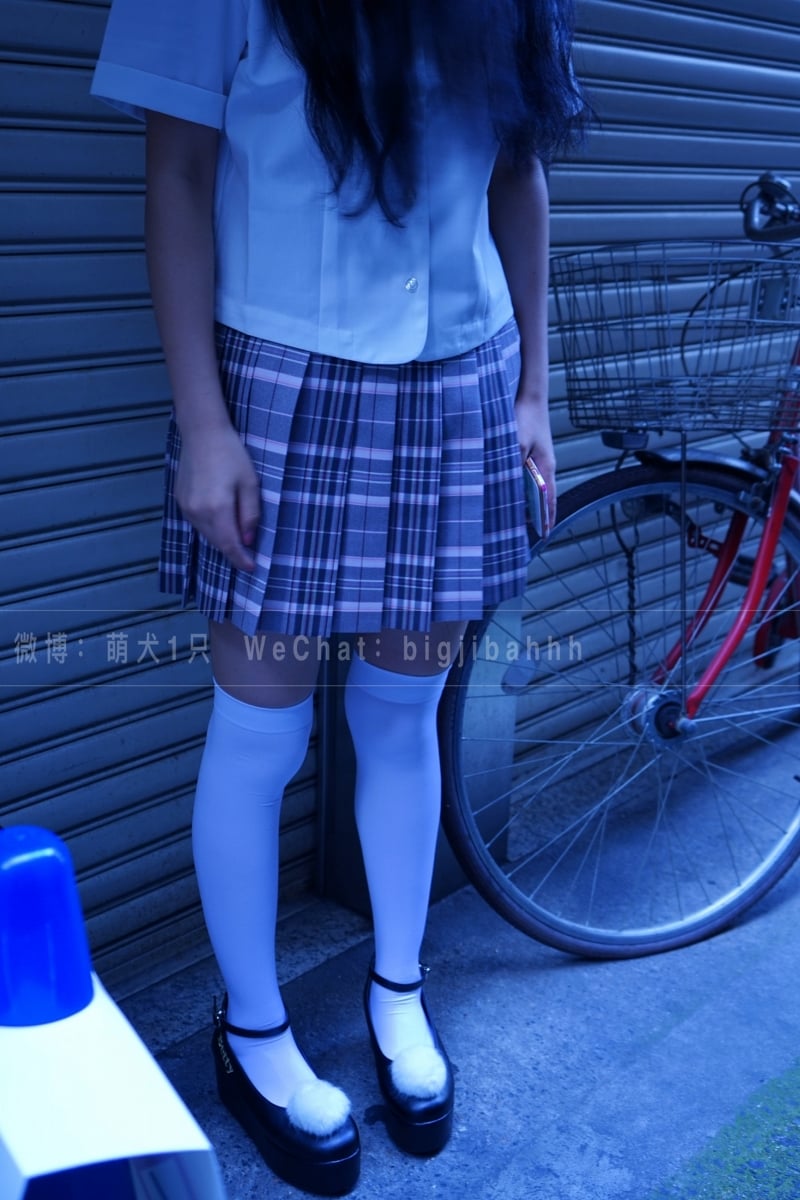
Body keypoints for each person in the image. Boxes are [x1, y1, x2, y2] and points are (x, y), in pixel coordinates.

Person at [91, 2, 585, 1193]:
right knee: (259, 730)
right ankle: (253, 1031)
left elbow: (517, 172)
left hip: (462, 376)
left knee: (403, 718)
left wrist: (531, 392)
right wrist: (204, 423)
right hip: (276, 379)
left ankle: (398, 990)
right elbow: (177, 173)